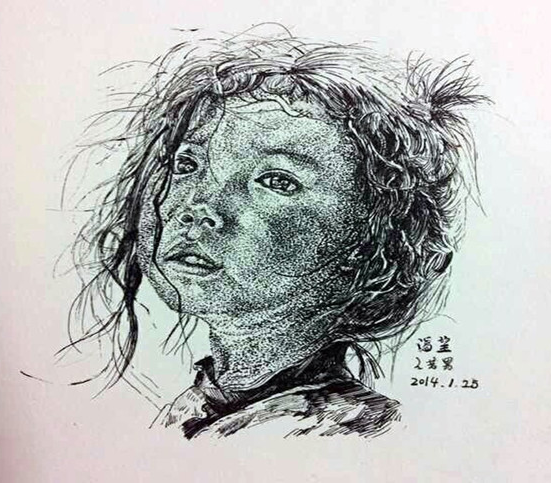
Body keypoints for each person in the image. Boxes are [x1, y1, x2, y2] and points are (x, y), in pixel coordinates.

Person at [63, 28, 486, 438]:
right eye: (186, 165)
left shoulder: (339, 432)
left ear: (375, 246)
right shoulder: (191, 414)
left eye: (277, 181)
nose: (199, 208)